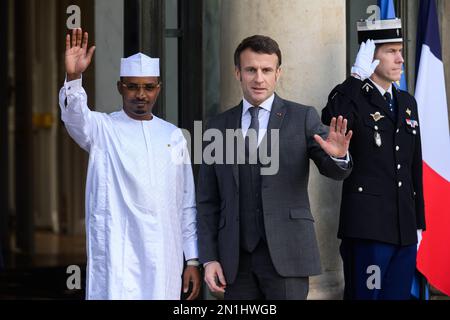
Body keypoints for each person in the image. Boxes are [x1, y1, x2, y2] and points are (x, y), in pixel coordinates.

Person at [197, 35, 353, 300]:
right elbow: (207, 201)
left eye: (267, 70)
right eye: (251, 70)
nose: (259, 78)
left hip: (288, 255)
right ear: (238, 72)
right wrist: (209, 258)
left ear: (278, 73)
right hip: (235, 261)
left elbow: (334, 170)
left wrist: (339, 157)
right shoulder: (217, 127)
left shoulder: (303, 117)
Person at [59, 28, 200, 300]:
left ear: (158, 88)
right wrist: (75, 77)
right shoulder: (102, 128)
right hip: (118, 253)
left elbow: (186, 202)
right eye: (133, 86)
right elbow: (75, 117)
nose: (141, 95)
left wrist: (192, 259)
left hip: (163, 255)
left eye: (148, 87)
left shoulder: (173, 136)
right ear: (120, 87)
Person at [321, 19, 426, 300]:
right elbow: (331, 117)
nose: (400, 58)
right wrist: (356, 78)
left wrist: (419, 222)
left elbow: (414, 164)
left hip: (404, 229)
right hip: (369, 230)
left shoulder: (407, 102)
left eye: (400, 50)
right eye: (391, 51)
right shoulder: (354, 98)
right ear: (371, 57)